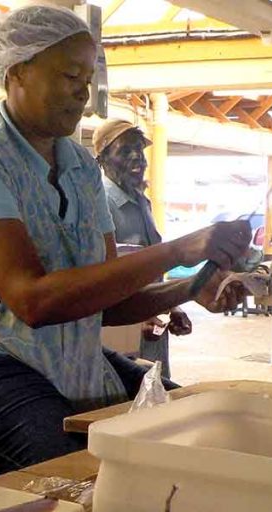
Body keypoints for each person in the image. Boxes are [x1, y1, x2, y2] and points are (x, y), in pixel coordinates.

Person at [0, 6, 250, 476]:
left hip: (59, 355)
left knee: (187, 427)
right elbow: (32, 300)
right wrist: (179, 250)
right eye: (69, 75)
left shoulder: (79, 168)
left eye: (87, 78)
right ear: (18, 72)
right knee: (85, 469)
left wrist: (190, 285)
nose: (82, 92)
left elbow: (103, 301)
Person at [92, 119, 192, 378]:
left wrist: (172, 306)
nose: (137, 157)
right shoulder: (99, 205)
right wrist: (136, 318)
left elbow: (149, 268)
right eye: (125, 151)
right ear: (102, 159)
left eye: (139, 149)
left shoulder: (141, 203)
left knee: (156, 400)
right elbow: (101, 276)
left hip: (152, 326)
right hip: (120, 331)